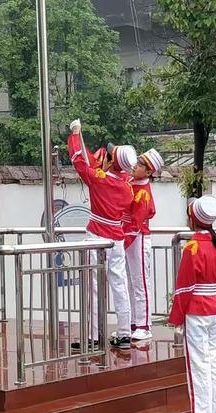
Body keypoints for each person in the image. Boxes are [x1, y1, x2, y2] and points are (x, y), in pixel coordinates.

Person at [67, 119, 136, 350]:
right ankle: (125, 333)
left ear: (112, 161)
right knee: (119, 285)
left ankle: (94, 337)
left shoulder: (101, 180)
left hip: (96, 237)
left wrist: (76, 134)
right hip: (116, 239)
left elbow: (79, 162)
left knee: (93, 287)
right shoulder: (127, 186)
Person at [169, 196, 216, 413]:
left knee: (198, 364)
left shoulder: (193, 248)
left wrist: (177, 318)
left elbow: (184, 288)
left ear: (193, 219)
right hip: (215, 309)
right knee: (213, 362)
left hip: (196, 311)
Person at [122, 148, 164, 341]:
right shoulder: (132, 183)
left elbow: (136, 222)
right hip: (128, 235)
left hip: (137, 236)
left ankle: (144, 325)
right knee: (131, 281)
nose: (134, 166)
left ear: (148, 171)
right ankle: (133, 322)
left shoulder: (143, 192)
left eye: (139, 165)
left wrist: (122, 240)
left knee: (140, 282)